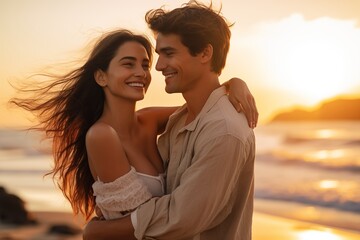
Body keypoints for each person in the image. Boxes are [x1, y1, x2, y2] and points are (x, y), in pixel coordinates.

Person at [10, 30, 257, 222]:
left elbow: (205, 110)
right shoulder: (102, 136)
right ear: (101, 76)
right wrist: (95, 232)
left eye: (145, 65)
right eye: (128, 64)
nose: (141, 72)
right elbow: (140, 221)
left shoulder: (149, 119)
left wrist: (234, 83)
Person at [83, 1, 256, 240]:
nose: (157, 67)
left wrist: (98, 232)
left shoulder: (223, 131)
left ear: (205, 53)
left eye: (168, 53)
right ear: (101, 76)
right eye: (158, 55)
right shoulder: (181, 119)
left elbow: (181, 218)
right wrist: (232, 83)